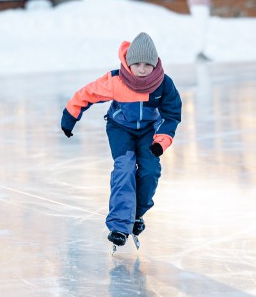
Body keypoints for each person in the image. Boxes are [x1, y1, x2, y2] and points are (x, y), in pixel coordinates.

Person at [60, 32, 182, 248]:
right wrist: (70, 117)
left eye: (147, 64)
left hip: (148, 132)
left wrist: (160, 141)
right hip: (120, 129)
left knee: (150, 170)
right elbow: (87, 94)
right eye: (137, 64)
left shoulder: (163, 84)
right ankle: (119, 225)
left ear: (155, 64)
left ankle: (135, 215)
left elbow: (172, 114)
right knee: (124, 168)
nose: (142, 69)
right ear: (128, 63)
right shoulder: (116, 81)